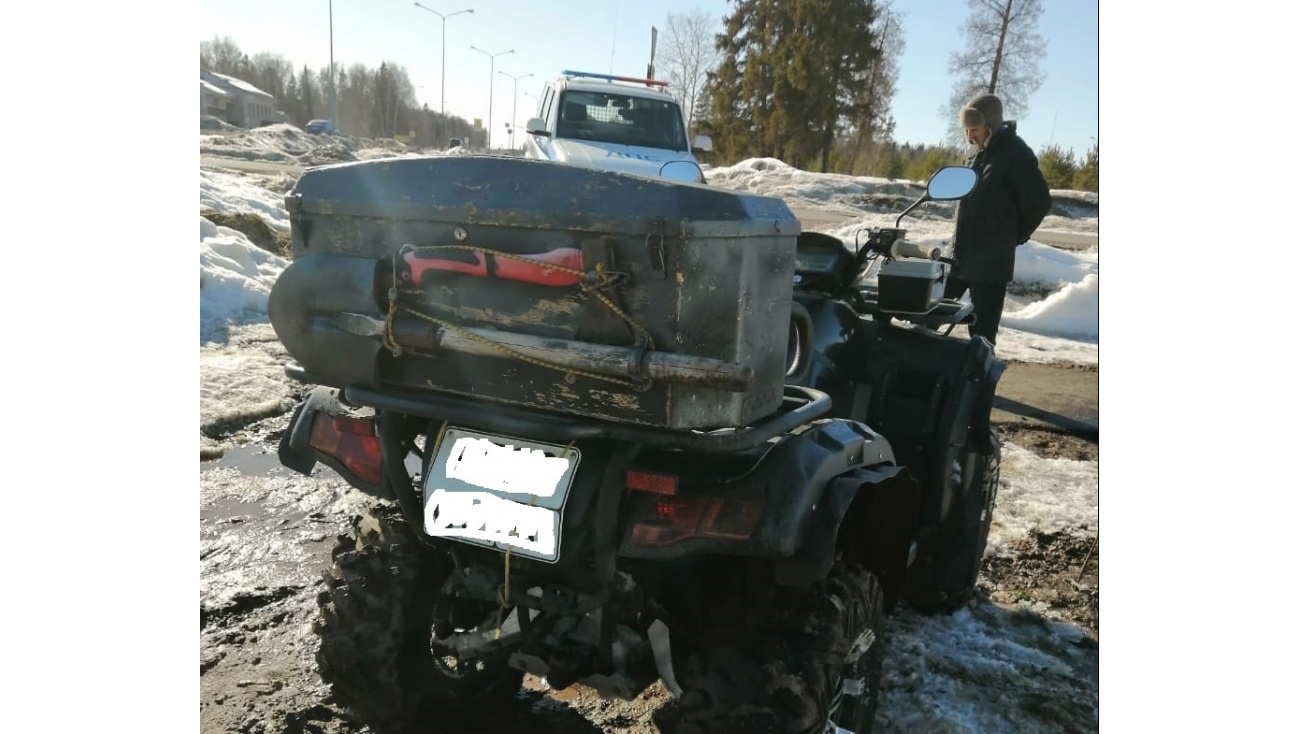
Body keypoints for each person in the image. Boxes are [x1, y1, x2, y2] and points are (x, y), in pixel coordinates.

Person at [946, 92, 1052, 347]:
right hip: (958, 257)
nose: (969, 136)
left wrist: (1010, 237)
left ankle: (979, 373)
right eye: (966, 130)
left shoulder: (1016, 154)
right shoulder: (974, 154)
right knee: (928, 316)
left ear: (991, 125)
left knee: (981, 336)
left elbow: (1039, 202)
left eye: (974, 129)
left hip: (990, 265)